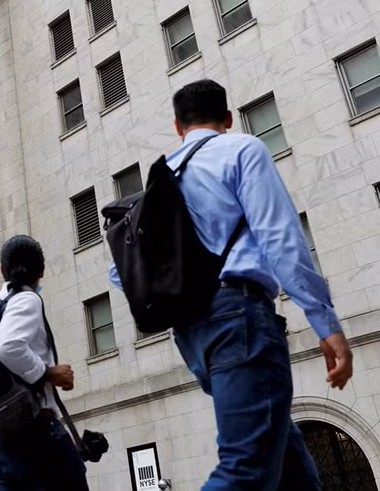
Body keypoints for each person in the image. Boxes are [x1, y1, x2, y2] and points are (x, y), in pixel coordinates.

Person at [109, 80, 353, 490]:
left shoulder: (159, 182)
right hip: (238, 317)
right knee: (246, 468)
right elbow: (281, 239)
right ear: (228, 117)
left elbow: (120, 272)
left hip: (192, 334)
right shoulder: (241, 150)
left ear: (177, 126)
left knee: (286, 462)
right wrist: (326, 325)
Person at [0, 235, 89, 491]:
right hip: (36, 429)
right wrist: (48, 373)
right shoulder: (26, 299)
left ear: (2, 270)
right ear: (41, 270)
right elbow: (6, 347)